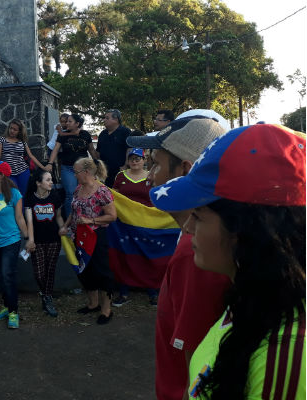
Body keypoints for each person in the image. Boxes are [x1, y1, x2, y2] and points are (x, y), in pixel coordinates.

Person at [148, 124, 306, 399]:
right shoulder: (248, 299)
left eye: (198, 215)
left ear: (243, 229)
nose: (187, 229)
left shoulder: (284, 350)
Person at [126, 116, 231, 400]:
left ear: (185, 169)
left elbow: (197, 366)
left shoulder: (197, 253)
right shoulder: (199, 240)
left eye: (156, 165)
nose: (148, 176)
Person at [59, 158, 116, 324]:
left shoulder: (102, 191)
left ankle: (106, 310)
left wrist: (90, 221)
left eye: (76, 172)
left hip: (97, 237)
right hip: (80, 238)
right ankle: (93, 304)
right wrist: (66, 225)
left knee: (102, 272)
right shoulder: (78, 189)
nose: (74, 175)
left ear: (86, 172)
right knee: (85, 271)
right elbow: (74, 211)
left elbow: (112, 216)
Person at [110, 148, 158, 306]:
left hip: (147, 223)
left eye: (138, 158)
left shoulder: (152, 176)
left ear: (144, 160)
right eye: (131, 158)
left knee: (147, 255)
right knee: (126, 255)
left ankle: (153, 291)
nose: (135, 161)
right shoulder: (120, 176)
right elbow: (113, 197)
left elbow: (157, 197)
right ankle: (124, 292)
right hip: (125, 224)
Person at [0, 161, 29, 329]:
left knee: (7, 276)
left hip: (10, 241)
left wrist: (28, 238)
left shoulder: (15, 194)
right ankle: (7, 305)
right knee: (1, 276)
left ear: (1, 175)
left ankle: (13, 312)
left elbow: (19, 218)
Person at [24, 169, 64, 317]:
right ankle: (46, 294)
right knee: (39, 273)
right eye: (48, 180)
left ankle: (47, 298)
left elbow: (59, 216)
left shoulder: (55, 196)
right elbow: (29, 221)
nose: (51, 182)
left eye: (51, 179)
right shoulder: (30, 198)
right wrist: (31, 240)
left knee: (50, 270)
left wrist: (63, 228)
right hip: (38, 241)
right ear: (38, 183)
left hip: (54, 240)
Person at [45, 114, 99, 218]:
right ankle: (72, 221)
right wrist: (50, 163)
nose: (67, 123)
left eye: (70, 121)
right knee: (70, 194)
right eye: (66, 121)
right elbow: (55, 149)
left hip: (84, 170)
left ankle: (86, 217)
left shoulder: (85, 134)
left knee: (85, 192)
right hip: (68, 168)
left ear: (77, 124)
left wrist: (97, 162)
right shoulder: (62, 135)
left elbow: (91, 150)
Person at [0, 119, 47, 196]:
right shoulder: (2, 140)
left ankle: (22, 208)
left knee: (22, 195)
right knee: (12, 194)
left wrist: (43, 167)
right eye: (11, 128)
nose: (12, 131)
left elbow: (31, 155)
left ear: (19, 131)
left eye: (15, 129)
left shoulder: (22, 142)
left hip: (23, 172)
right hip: (8, 173)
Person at [95, 109, 131, 187]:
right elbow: (98, 151)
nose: (104, 120)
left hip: (120, 170)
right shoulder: (102, 134)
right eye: (104, 118)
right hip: (104, 171)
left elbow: (129, 149)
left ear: (116, 119)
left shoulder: (125, 131)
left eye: (107, 118)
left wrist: (126, 165)